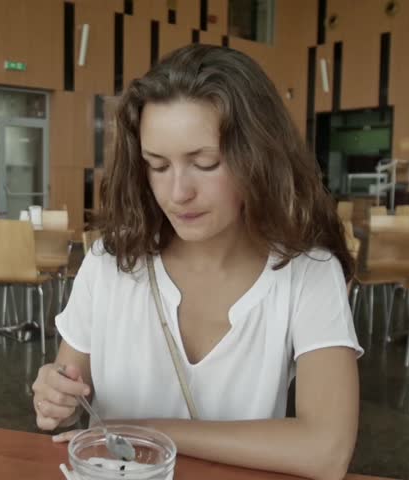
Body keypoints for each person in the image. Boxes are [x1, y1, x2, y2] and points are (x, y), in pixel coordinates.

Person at [32, 44, 362, 480]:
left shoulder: (307, 272)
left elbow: (327, 450)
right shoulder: (110, 264)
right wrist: (56, 398)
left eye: (205, 163)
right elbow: (69, 394)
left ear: (259, 157)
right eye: (157, 166)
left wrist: (148, 432)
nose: (178, 192)